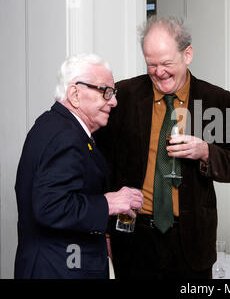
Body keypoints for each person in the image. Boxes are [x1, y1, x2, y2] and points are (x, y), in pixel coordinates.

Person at [94, 16, 230, 279]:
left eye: (166, 63)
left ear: (187, 54)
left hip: (191, 243)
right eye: (151, 64)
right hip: (133, 239)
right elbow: (102, 166)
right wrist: (104, 230)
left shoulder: (215, 100)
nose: (159, 72)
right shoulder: (124, 95)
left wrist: (206, 152)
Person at [14, 53, 143, 279]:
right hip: (59, 270)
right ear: (75, 94)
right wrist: (108, 203)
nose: (113, 101)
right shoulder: (65, 136)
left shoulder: (54, 125)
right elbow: (50, 206)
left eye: (113, 93)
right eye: (106, 91)